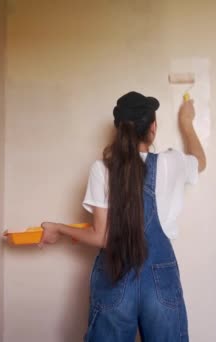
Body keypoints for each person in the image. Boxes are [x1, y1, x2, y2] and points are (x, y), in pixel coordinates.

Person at [40, 91, 206, 341]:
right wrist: (186, 123)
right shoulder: (172, 162)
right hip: (160, 278)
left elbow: (101, 237)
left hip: (114, 276)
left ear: (119, 130)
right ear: (153, 127)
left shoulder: (102, 169)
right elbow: (200, 161)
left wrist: (59, 228)